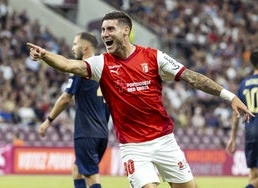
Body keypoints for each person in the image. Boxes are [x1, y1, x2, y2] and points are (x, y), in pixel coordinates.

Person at [27, 11, 254, 188]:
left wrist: (230, 96)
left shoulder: (153, 57)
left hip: (165, 141)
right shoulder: (100, 64)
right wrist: (46, 55)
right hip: (133, 147)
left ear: (126, 31)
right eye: (103, 30)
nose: (104, 34)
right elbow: (69, 64)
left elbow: (192, 78)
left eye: (110, 29)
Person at [38, 32, 109, 188]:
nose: (72, 48)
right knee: (77, 170)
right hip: (102, 132)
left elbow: (65, 98)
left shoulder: (81, 69)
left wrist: (47, 121)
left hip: (86, 132)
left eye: (75, 44)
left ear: (85, 47)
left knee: (91, 177)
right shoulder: (105, 68)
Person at [226, 49, 258, 188]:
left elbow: (236, 114)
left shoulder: (244, 84)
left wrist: (232, 138)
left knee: (253, 173)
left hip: (250, 132)